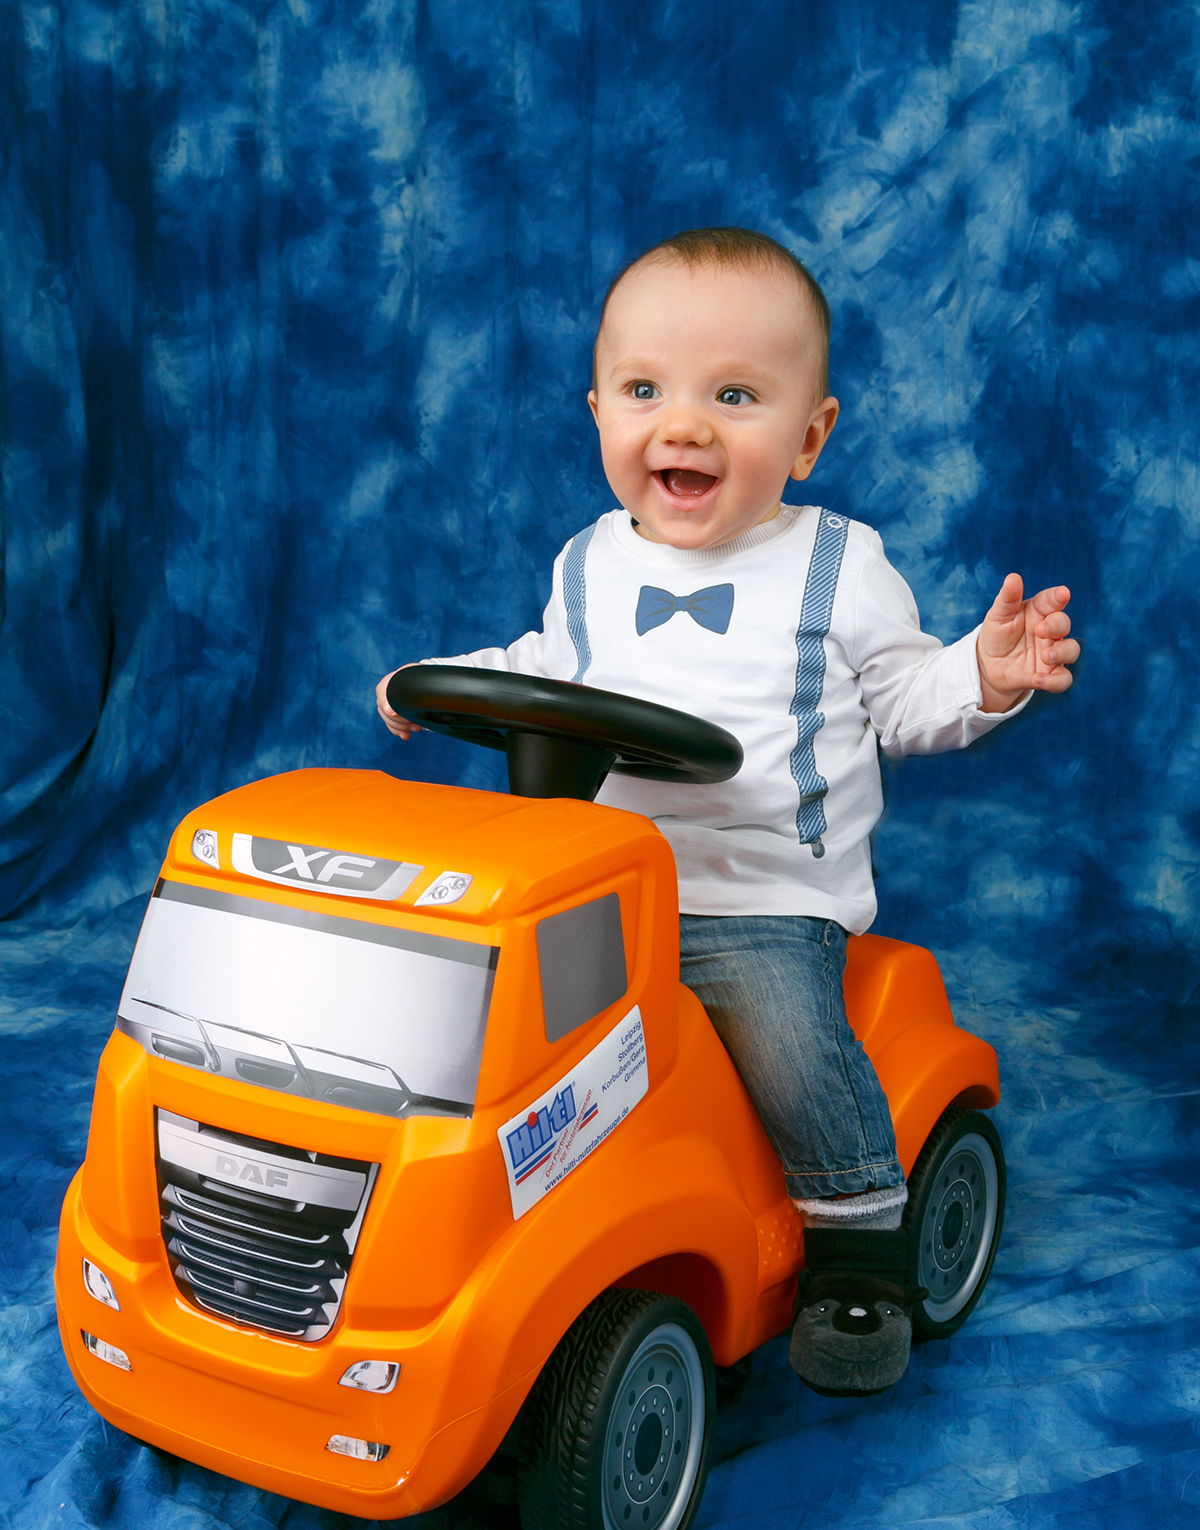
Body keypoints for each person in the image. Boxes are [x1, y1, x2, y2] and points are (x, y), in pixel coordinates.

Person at [375, 226, 1078, 1398]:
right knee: (458, 1008)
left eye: (735, 397)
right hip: (596, 880)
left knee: (785, 1036)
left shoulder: (839, 566)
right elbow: (543, 668)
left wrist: (983, 674)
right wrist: (432, 680)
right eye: (646, 391)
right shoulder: (589, 560)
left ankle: (858, 1237)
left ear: (810, 437)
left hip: (756, 899)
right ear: (597, 410)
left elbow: (906, 703)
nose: (686, 425)